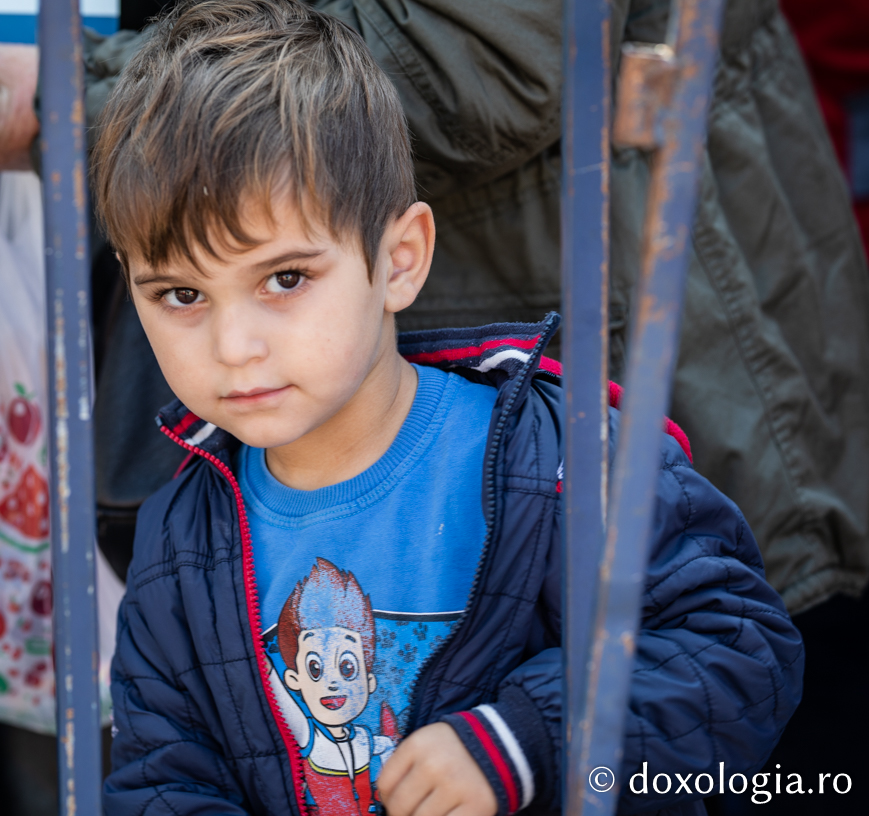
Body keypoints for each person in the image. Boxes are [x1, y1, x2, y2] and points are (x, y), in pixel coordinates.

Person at [89, 2, 803, 814]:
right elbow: (163, 780)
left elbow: (738, 652)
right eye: (181, 294)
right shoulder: (183, 533)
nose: (233, 346)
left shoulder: (555, 458)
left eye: (284, 279)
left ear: (401, 261)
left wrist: (525, 743)